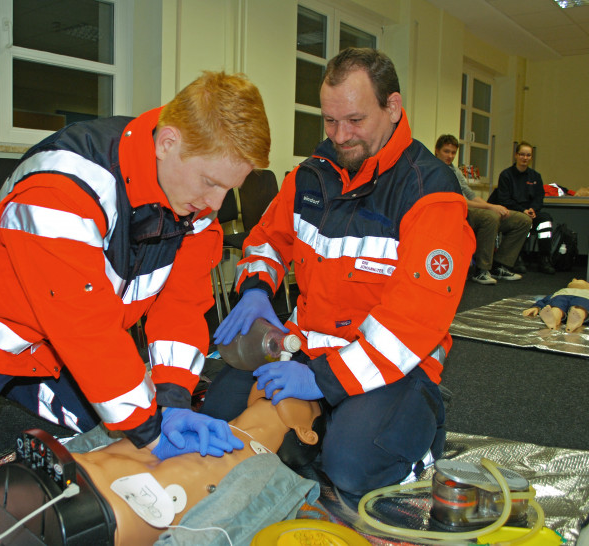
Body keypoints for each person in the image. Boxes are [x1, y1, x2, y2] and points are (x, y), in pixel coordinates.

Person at [0, 71, 272, 506]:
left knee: (113, 433)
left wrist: (172, 399)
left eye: (230, 189)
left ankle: (31, 386)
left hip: (59, 345)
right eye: (211, 182)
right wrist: (150, 430)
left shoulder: (196, 210)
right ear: (168, 143)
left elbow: (181, 307)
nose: (217, 205)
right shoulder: (64, 186)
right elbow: (83, 326)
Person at [202, 47, 476, 499]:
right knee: (218, 417)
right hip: (308, 345)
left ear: (392, 107)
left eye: (354, 120)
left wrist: (324, 382)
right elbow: (267, 241)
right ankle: (326, 418)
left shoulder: (431, 193)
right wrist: (255, 289)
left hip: (392, 363)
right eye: (329, 121)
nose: (340, 135)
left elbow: (411, 326)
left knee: (351, 468)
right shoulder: (312, 175)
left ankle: (422, 427)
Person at [0, 386, 323, 545]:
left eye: (304, 395)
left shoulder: (272, 475)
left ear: (308, 433)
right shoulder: (193, 423)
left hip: (92, 521)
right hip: (43, 478)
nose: (278, 382)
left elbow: (229, 524)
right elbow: (98, 441)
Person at [434, 134, 531, 285]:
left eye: (453, 152)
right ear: (437, 151)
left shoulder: (455, 170)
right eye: (446, 151)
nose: (450, 156)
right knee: (490, 217)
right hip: (454, 211)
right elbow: (462, 200)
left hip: (468, 208)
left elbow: (470, 194)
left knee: (522, 220)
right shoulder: (434, 170)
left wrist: (493, 207)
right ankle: (481, 270)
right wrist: (491, 207)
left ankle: (500, 265)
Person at [489, 141, 555, 274]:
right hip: (512, 212)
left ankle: (544, 258)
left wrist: (533, 210)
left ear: (531, 157)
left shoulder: (535, 176)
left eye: (528, 155)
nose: (525, 158)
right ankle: (517, 257)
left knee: (546, 221)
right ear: (516, 155)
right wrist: (522, 210)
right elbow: (504, 199)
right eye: (522, 154)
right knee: (523, 221)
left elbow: (539, 197)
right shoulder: (506, 175)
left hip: (531, 212)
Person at [522, 278, 589, 332]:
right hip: (564, 296)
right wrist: (536, 307)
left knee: (581, 307)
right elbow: (545, 300)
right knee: (556, 306)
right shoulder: (562, 291)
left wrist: (537, 306)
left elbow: (545, 300)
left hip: (582, 298)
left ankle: (576, 317)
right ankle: (554, 317)